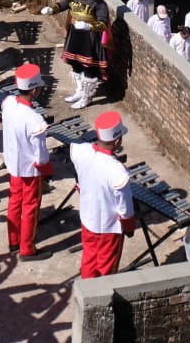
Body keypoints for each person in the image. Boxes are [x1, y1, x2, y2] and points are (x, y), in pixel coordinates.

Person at [70, 111, 136, 278]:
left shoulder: (82, 151)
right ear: (117, 140)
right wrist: (129, 228)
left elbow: (79, 176)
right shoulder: (118, 172)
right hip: (109, 228)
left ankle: (87, 289)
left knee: (89, 259)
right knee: (107, 269)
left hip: (87, 219)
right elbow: (125, 210)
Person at [42, 0, 111, 109]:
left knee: (88, 69)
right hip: (75, 36)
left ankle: (87, 97)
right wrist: (51, 9)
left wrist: (89, 26)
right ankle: (79, 91)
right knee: (76, 65)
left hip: (90, 39)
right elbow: (63, 4)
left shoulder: (99, 3)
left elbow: (103, 23)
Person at [2, 63, 54, 260]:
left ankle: (13, 240)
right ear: (34, 90)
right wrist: (47, 169)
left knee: (14, 202)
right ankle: (27, 248)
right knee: (30, 208)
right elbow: (40, 155)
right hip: (30, 171)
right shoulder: (35, 120)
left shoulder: (8, 103)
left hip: (14, 166)